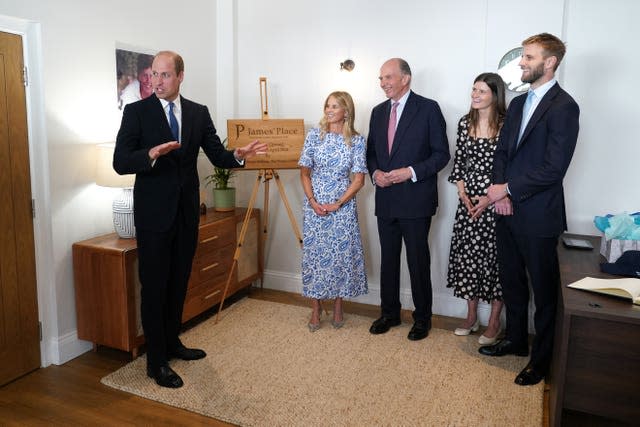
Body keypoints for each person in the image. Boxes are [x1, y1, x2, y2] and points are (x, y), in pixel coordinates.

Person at [113, 50, 266, 388]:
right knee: (154, 288)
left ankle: (172, 343)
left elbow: (218, 155)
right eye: (154, 74)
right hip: (153, 217)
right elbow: (120, 161)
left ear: (180, 76)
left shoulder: (198, 113)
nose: (157, 81)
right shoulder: (137, 113)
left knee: (178, 281)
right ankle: (156, 362)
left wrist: (238, 156)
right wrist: (150, 154)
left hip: (186, 215)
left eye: (165, 75)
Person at [476, 33, 580, 386]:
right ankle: (517, 341)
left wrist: (508, 189)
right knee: (512, 282)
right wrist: (500, 195)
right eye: (523, 56)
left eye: (529, 57)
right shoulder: (518, 104)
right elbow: (502, 154)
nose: (522, 62)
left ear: (549, 63)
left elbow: (554, 168)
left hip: (539, 216)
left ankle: (541, 361)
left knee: (544, 292)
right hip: (505, 210)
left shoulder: (565, 107)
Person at [366, 58, 450, 341]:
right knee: (388, 261)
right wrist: (375, 172)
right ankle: (389, 313)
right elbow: (371, 154)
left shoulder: (428, 109)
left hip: (416, 200)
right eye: (380, 78)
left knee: (417, 261)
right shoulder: (377, 113)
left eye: (388, 77)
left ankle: (422, 319)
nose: (383, 83)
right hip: (386, 200)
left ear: (406, 78)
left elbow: (441, 155)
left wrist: (410, 172)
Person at [298, 91, 368, 331]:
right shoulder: (314, 136)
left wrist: (338, 203)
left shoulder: (357, 141)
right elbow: (304, 173)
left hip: (343, 206)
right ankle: (316, 308)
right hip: (315, 204)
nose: (329, 110)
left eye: (335, 106)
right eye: (327, 105)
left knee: (340, 256)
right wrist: (312, 200)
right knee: (315, 256)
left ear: (346, 112)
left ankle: (338, 306)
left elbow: (359, 180)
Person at [447, 73, 506, 345]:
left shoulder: (507, 124)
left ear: (495, 95)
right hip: (468, 204)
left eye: (481, 91)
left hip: (495, 202)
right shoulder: (464, 122)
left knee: (494, 261)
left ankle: (494, 321)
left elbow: (510, 166)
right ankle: (471, 317)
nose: (475, 95)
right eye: (473, 89)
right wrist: (463, 193)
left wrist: (488, 198)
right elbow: (459, 162)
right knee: (468, 258)